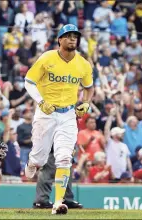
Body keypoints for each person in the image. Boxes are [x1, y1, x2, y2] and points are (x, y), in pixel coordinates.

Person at [24, 24, 94, 215]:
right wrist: (40, 101)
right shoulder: (47, 57)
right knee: (40, 157)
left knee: (64, 158)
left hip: (68, 114)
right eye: (68, 36)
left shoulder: (83, 64)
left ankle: (58, 203)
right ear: (60, 39)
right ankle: (32, 161)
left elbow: (89, 87)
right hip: (46, 112)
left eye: (75, 36)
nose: (72, 39)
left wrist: (86, 104)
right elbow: (29, 81)